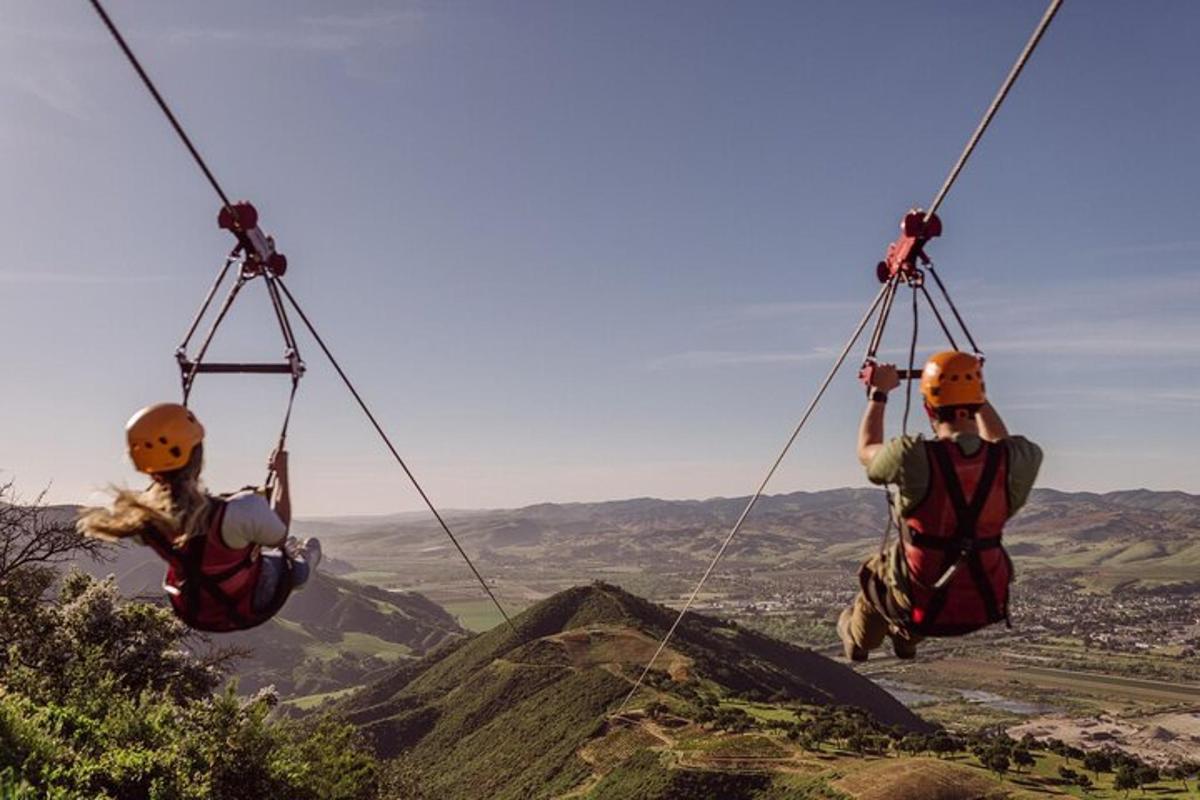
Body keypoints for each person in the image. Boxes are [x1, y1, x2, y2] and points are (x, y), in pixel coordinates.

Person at [837, 351, 1042, 661]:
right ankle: (906, 640)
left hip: (917, 599)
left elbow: (867, 452)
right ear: (978, 402)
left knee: (875, 576)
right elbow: (1002, 443)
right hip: (983, 600)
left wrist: (878, 393)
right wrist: (975, 390)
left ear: (928, 408)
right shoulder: (1018, 460)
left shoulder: (914, 457)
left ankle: (858, 641)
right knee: (926, 575)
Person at [78, 402, 321, 632]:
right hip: (246, 602)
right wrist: (281, 474)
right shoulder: (240, 510)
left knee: (240, 550)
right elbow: (279, 533)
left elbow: (185, 511)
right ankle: (304, 554)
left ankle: (287, 552)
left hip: (193, 607)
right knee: (295, 570)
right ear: (198, 455)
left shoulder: (144, 518)